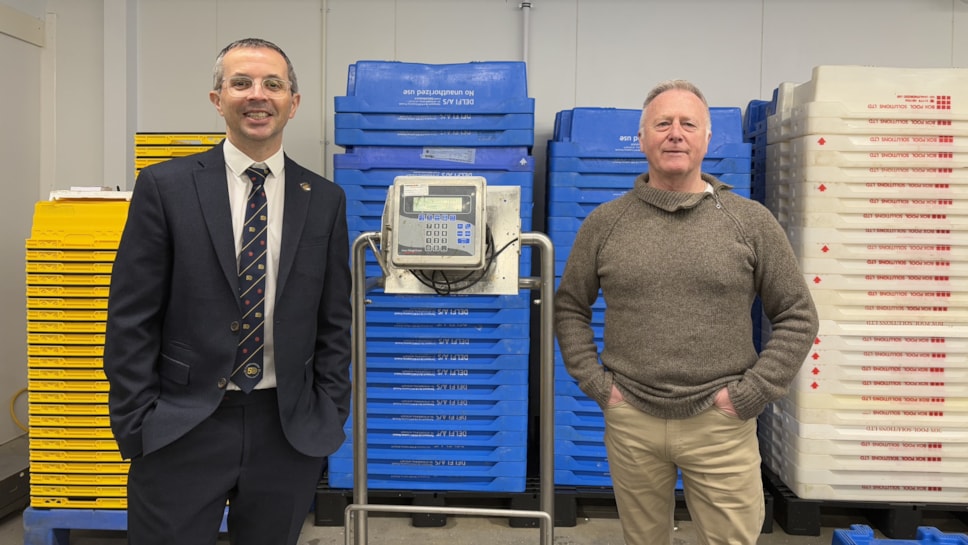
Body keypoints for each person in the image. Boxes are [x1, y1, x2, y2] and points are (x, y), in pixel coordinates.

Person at [103, 38, 352, 545]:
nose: (257, 95)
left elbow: (335, 320)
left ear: (293, 102)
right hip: (182, 423)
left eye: (272, 84)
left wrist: (328, 411)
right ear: (218, 99)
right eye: (241, 83)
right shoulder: (166, 187)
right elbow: (131, 316)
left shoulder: (324, 198)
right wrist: (138, 421)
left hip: (286, 427)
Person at [554, 80, 819, 545]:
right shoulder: (605, 223)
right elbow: (571, 306)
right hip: (631, 419)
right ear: (642, 140)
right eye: (662, 123)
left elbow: (798, 314)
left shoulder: (749, 221)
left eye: (687, 124)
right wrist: (598, 385)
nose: (675, 133)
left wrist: (749, 395)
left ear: (706, 139)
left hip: (721, 423)